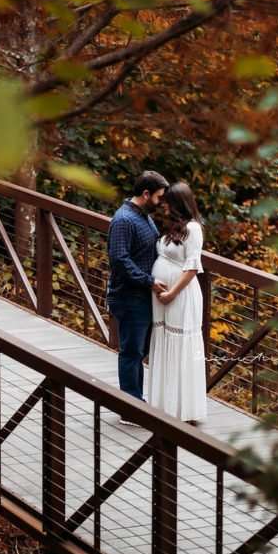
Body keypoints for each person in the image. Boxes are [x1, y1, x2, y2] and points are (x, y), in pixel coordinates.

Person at [107, 170, 170, 425]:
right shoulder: (124, 220)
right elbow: (119, 260)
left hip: (143, 295)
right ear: (145, 194)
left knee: (139, 350)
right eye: (158, 197)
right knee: (131, 351)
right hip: (129, 296)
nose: (161, 202)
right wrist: (150, 281)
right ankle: (130, 408)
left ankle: (136, 401)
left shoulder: (143, 216)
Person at [149, 182, 208, 425]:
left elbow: (192, 267)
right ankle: (163, 403)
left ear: (178, 203)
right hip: (161, 295)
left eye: (168, 202)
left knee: (179, 344)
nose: (164, 206)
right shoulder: (172, 228)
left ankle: (183, 408)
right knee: (163, 340)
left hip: (180, 296)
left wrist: (172, 293)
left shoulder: (193, 229)